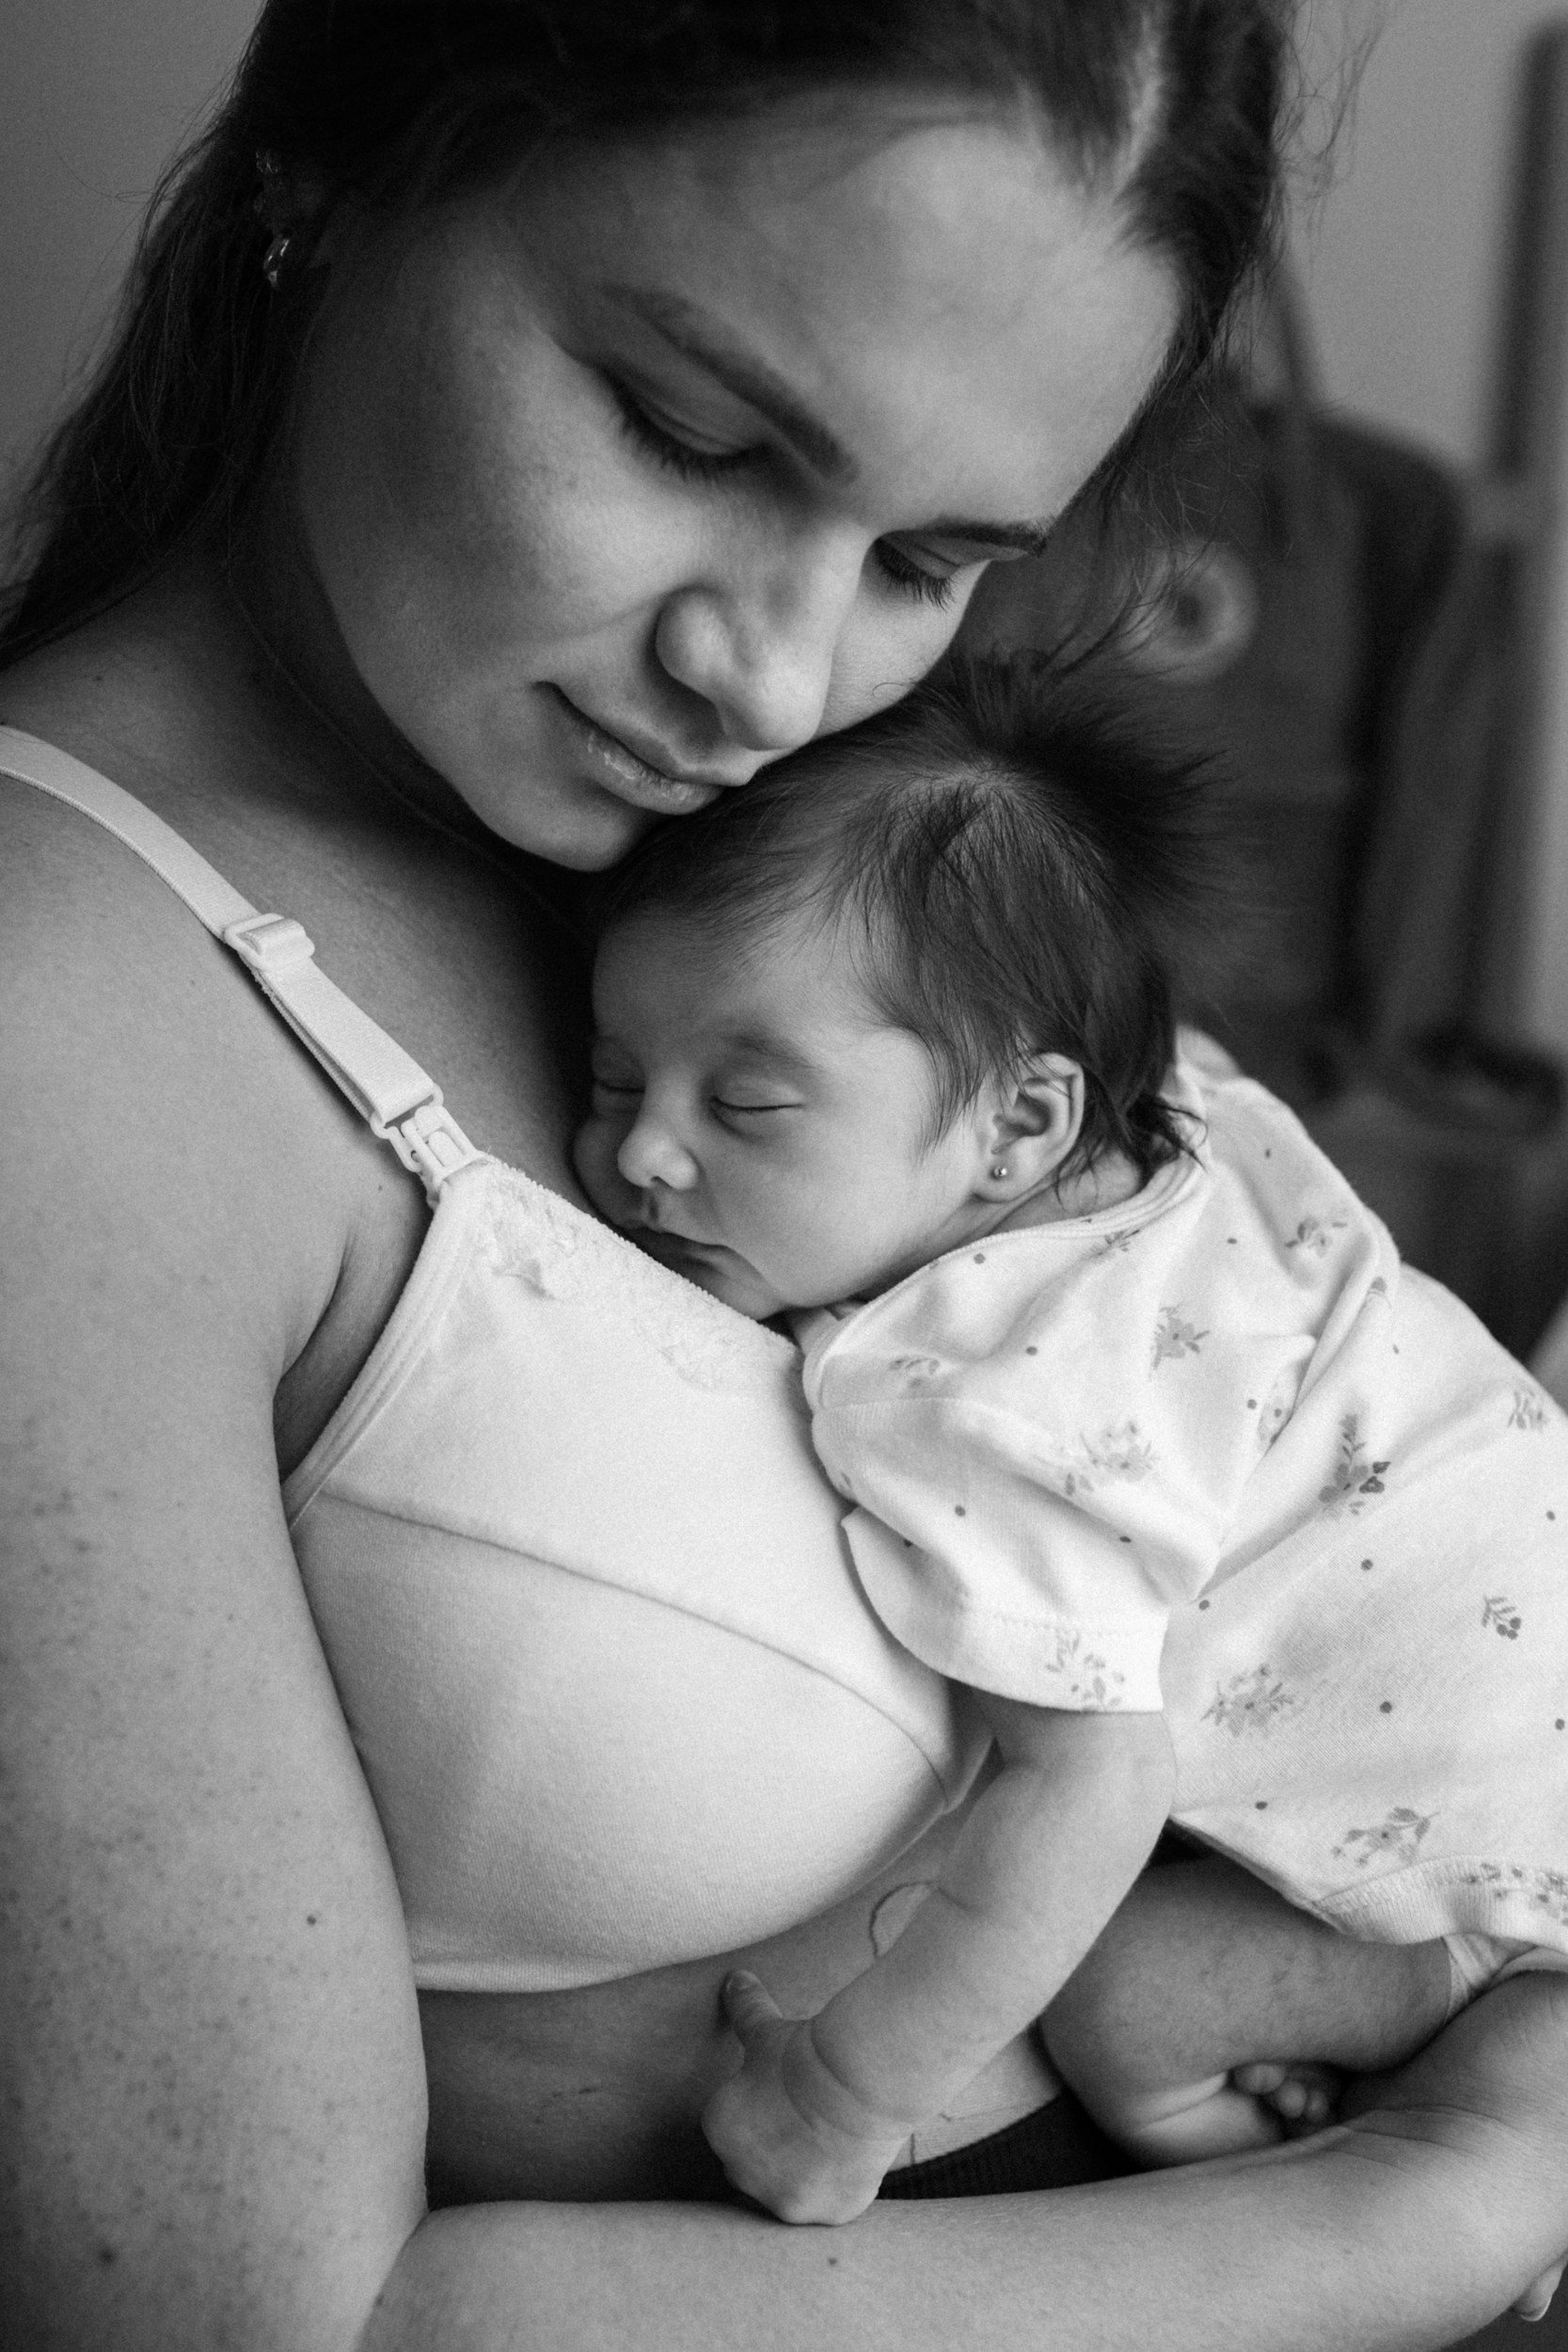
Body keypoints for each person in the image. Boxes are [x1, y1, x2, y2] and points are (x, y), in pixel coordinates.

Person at [3, 3, 1567, 2345]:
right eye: (686, 430)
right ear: (332, 170)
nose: (772, 671)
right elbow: (252, 2312)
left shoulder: (758, 858)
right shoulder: (66, 1025)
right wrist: (1440, 2198)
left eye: (935, 554)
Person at [572, 658, 1568, 2227]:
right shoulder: (1169, 1102)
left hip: (1502, 1820)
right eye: (616, 1077)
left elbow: (1090, 1786)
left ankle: (1410, 2011)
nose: (640, 1149)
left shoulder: (1004, 1398)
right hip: (1519, 1611)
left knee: (1122, 2003)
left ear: (1020, 1129)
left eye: (746, 1108)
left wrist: (840, 2100)